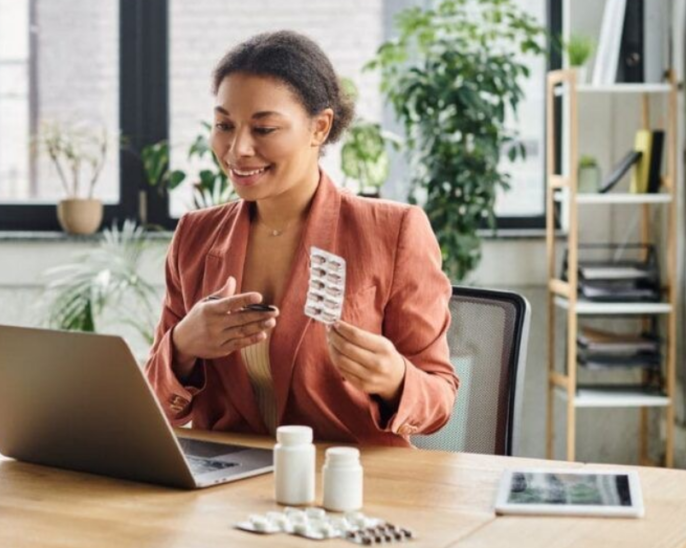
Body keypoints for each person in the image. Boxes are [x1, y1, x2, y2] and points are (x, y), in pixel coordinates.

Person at [144, 30, 458, 447]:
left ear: (319, 127)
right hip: (226, 485)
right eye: (224, 125)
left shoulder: (392, 231)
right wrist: (182, 346)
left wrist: (396, 379)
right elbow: (156, 404)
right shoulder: (195, 237)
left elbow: (439, 396)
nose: (238, 149)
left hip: (348, 483)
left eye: (264, 128)